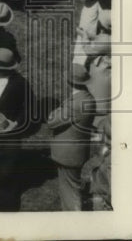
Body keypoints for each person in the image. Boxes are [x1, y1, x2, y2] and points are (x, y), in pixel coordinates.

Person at [46, 65, 96, 211]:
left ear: (70, 82)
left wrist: (55, 111)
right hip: (78, 152)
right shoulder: (87, 97)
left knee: (70, 194)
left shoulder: (74, 105)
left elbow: (51, 121)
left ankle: (74, 224)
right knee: (71, 189)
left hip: (68, 155)